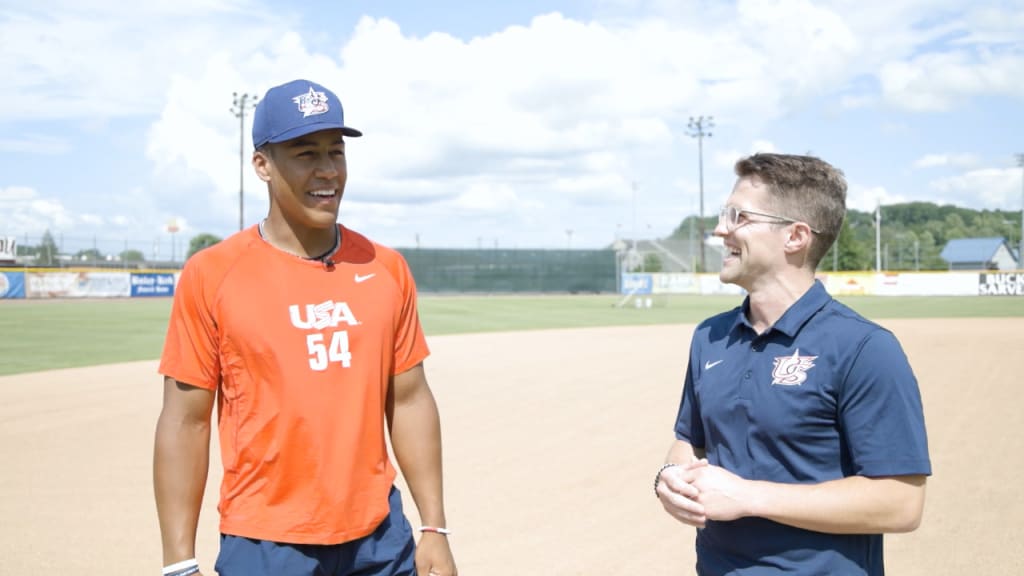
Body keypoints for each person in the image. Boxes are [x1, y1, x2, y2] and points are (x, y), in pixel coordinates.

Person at [153, 79, 457, 576]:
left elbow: (409, 399)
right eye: (306, 153)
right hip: (267, 545)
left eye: (336, 152)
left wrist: (434, 527)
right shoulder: (213, 274)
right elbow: (185, 420)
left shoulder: (386, 268)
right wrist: (178, 565)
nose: (327, 170)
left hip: (381, 539)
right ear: (263, 165)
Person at [655, 153, 930, 575]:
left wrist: (749, 497)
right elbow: (689, 441)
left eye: (739, 216)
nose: (720, 228)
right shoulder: (709, 337)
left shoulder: (864, 348)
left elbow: (901, 502)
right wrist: (671, 477)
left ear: (796, 237)